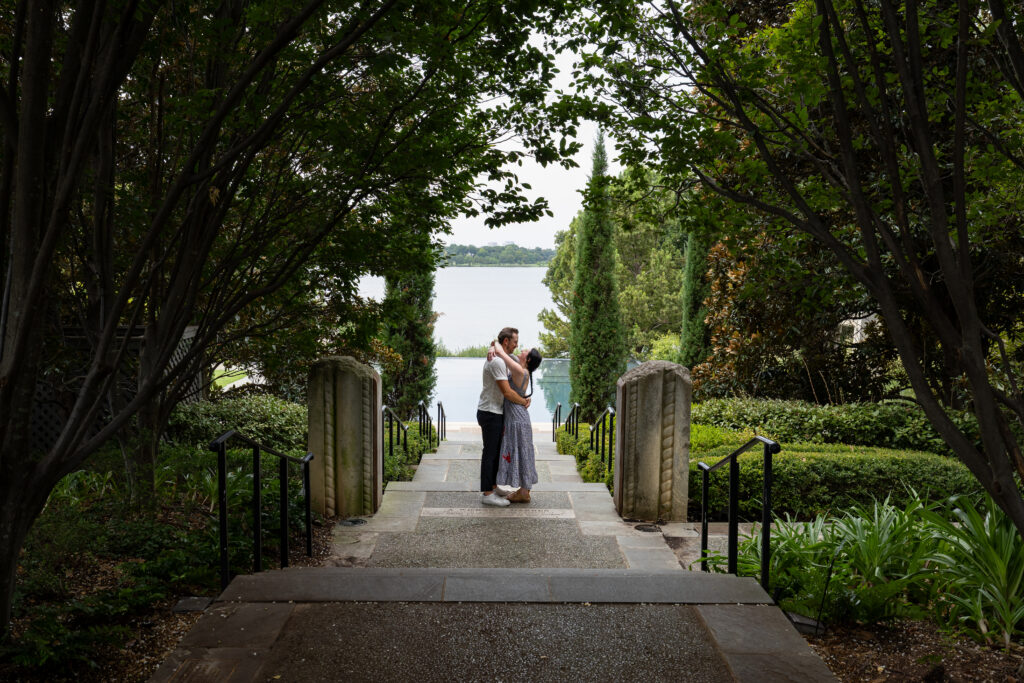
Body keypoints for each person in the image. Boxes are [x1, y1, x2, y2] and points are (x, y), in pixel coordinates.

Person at [477, 327, 530, 507]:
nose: (516, 345)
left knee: (497, 452)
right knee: (490, 453)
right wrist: (523, 401)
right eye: (515, 342)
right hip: (490, 412)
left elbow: (519, 369)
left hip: (496, 412)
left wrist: (494, 345)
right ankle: (487, 493)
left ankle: (493, 486)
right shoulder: (497, 362)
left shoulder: (505, 359)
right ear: (506, 341)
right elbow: (507, 392)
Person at [490, 340, 542, 504]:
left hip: (517, 419)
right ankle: (524, 490)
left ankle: (524, 492)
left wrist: (495, 346)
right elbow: (499, 350)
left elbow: (501, 353)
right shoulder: (522, 370)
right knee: (523, 451)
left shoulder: (520, 370)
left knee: (521, 451)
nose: (524, 349)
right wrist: (492, 347)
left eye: (527, 351)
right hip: (518, 417)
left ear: (528, 360)